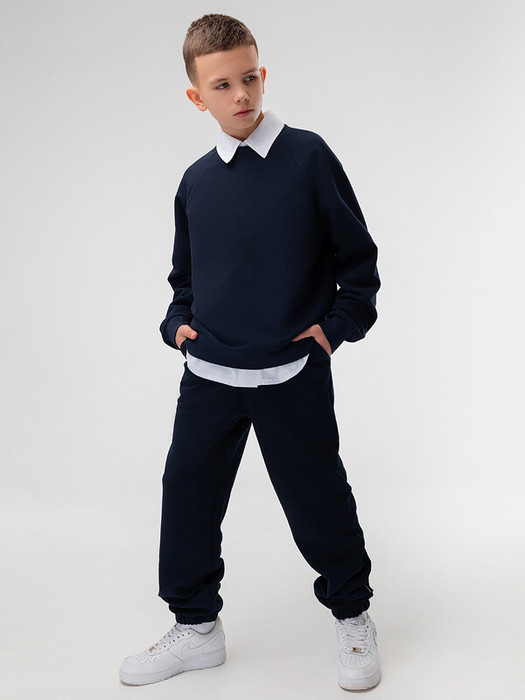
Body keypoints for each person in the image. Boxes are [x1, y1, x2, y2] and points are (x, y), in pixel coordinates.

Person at [119, 13, 382, 692]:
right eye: (222, 85)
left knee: (316, 497)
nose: (241, 94)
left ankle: (352, 614)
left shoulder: (307, 158)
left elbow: (358, 264)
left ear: (261, 75)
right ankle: (196, 627)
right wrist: (177, 324)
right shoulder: (196, 182)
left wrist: (333, 329)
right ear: (196, 97)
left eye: (249, 78)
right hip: (209, 371)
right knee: (187, 496)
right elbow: (184, 277)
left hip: (290, 370)